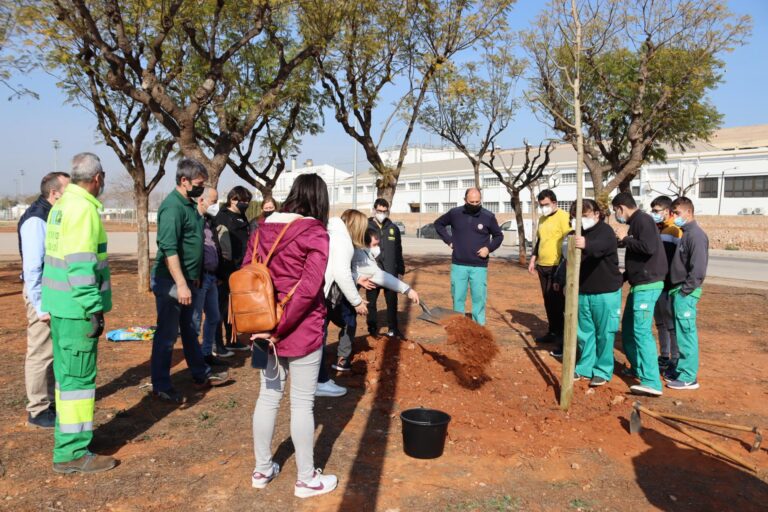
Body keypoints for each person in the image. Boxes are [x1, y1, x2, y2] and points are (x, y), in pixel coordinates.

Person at [245, 173, 338, 498]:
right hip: (301, 329)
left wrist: (263, 327)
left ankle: (261, 469)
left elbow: (247, 275)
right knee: (301, 403)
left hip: (261, 328)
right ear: (320, 201)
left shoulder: (261, 228)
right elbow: (311, 287)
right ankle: (306, 478)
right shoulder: (314, 232)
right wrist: (279, 327)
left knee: (268, 397)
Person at [41, 153, 115, 473]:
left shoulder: (61, 206)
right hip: (76, 310)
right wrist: (93, 308)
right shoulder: (83, 209)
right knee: (78, 384)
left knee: (67, 380)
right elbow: (81, 264)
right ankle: (71, 452)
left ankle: (71, 442)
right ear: (97, 178)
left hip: (60, 308)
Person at [150, 159, 228, 404]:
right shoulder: (172, 208)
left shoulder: (190, 205)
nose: (200, 188)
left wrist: (194, 279)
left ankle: (200, 374)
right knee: (166, 335)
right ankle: (161, 385)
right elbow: (169, 248)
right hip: (171, 282)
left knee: (190, 331)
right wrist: (181, 284)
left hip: (189, 281)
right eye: (197, 184)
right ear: (183, 181)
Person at [18, 171, 70, 429]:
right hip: (41, 294)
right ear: (54, 193)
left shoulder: (50, 214)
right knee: (40, 353)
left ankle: (49, 401)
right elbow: (32, 269)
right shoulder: (36, 220)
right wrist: (40, 306)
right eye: (67, 191)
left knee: (50, 351)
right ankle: (37, 410)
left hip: (51, 292)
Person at [612, 192, 668, 396]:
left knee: (642, 332)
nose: (616, 216)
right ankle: (637, 367)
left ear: (621, 208)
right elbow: (639, 256)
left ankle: (651, 382)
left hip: (648, 285)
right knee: (628, 329)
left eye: (615, 211)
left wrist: (625, 239)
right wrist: (625, 276)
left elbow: (648, 248)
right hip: (638, 284)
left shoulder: (642, 220)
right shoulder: (637, 222)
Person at [563, 200, 623, 387]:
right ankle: (584, 367)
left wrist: (585, 243)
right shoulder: (576, 233)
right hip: (583, 291)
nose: (580, 219)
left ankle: (603, 370)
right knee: (584, 333)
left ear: (597, 214)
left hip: (605, 292)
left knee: (604, 333)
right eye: (576, 216)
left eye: (585, 215)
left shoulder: (605, 232)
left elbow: (598, 249)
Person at [315, 209, 368, 397]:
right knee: (319, 336)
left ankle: (317, 378)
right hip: (319, 294)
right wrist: (357, 302)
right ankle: (319, 381)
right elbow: (341, 274)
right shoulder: (344, 241)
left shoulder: (332, 232)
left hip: (313, 289)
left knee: (318, 335)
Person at [434, 188, 503, 326]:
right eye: (471, 202)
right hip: (459, 265)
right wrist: (449, 240)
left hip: (479, 266)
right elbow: (438, 224)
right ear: (465, 200)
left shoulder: (488, 216)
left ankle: (479, 327)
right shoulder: (455, 213)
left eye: (477, 201)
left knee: (479, 298)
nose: (475, 204)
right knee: (458, 297)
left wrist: (488, 248)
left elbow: (498, 236)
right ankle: (458, 326)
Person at [665, 197, 708, 390]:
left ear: (689, 212)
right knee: (681, 334)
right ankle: (682, 370)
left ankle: (689, 377)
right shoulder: (686, 233)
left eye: (678, 213)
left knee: (686, 334)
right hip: (679, 290)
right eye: (673, 213)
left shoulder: (696, 235)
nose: (674, 217)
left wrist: (684, 292)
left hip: (685, 291)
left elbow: (698, 270)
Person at [528, 189, 570, 355]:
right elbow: (540, 240)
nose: (544, 208)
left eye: (546, 204)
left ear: (554, 203)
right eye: (541, 205)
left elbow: (569, 242)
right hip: (542, 266)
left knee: (558, 303)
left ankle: (562, 340)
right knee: (548, 301)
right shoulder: (542, 219)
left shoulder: (564, 217)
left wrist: (563, 266)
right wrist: (533, 259)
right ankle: (552, 332)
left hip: (557, 267)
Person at [191, 187, 229, 367]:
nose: (216, 205)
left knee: (214, 316)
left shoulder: (210, 221)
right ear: (202, 200)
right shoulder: (192, 219)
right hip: (199, 279)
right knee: (195, 321)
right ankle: (195, 359)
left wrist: (219, 273)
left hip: (212, 278)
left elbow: (216, 248)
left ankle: (206, 353)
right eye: (214, 201)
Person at [214, 185, 253, 354]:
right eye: (242, 201)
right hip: (225, 271)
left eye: (247, 201)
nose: (245, 204)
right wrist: (221, 273)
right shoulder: (222, 217)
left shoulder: (241, 217)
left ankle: (232, 339)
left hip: (240, 270)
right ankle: (217, 344)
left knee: (233, 307)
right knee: (219, 309)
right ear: (232, 199)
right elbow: (220, 247)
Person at [649, 196, 682, 373]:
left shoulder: (675, 230)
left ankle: (675, 359)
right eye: (653, 210)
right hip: (658, 284)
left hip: (669, 285)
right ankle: (664, 355)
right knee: (660, 323)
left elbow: (676, 260)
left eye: (657, 210)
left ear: (668, 211)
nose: (654, 214)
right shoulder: (660, 230)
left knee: (671, 325)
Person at [366, 198, 405, 337]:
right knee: (371, 304)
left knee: (392, 303)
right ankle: (372, 329)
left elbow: (398, 250)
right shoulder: (366, 226)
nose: (382, 213)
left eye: (384, 211)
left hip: (390, 272)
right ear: (374, 210)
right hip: (371, 273)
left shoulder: (393, 228)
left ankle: (393, 329)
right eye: (379, 211)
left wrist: (400, 270)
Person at [353, 228, 420, 306]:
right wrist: (407, 290)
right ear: (364, 245)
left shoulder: (362, 253)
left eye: (378, 244)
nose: (377, 248)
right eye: (374, 245)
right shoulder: (361, 258)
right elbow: (381, 276)